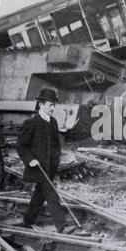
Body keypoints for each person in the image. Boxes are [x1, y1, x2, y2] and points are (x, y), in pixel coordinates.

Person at [17, 88, 75, 234]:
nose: (53, 108)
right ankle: (62, 226)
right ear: (41, 104)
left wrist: (58, 158)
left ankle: (28, 220)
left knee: (40, 194)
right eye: (50, 105)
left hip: (50, 166)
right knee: (51, 193)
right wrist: (29, 160)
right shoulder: (31, 122)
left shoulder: (53, 122)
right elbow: (21, 145)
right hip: (38, 166)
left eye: (54, 105)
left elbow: (56, 144)